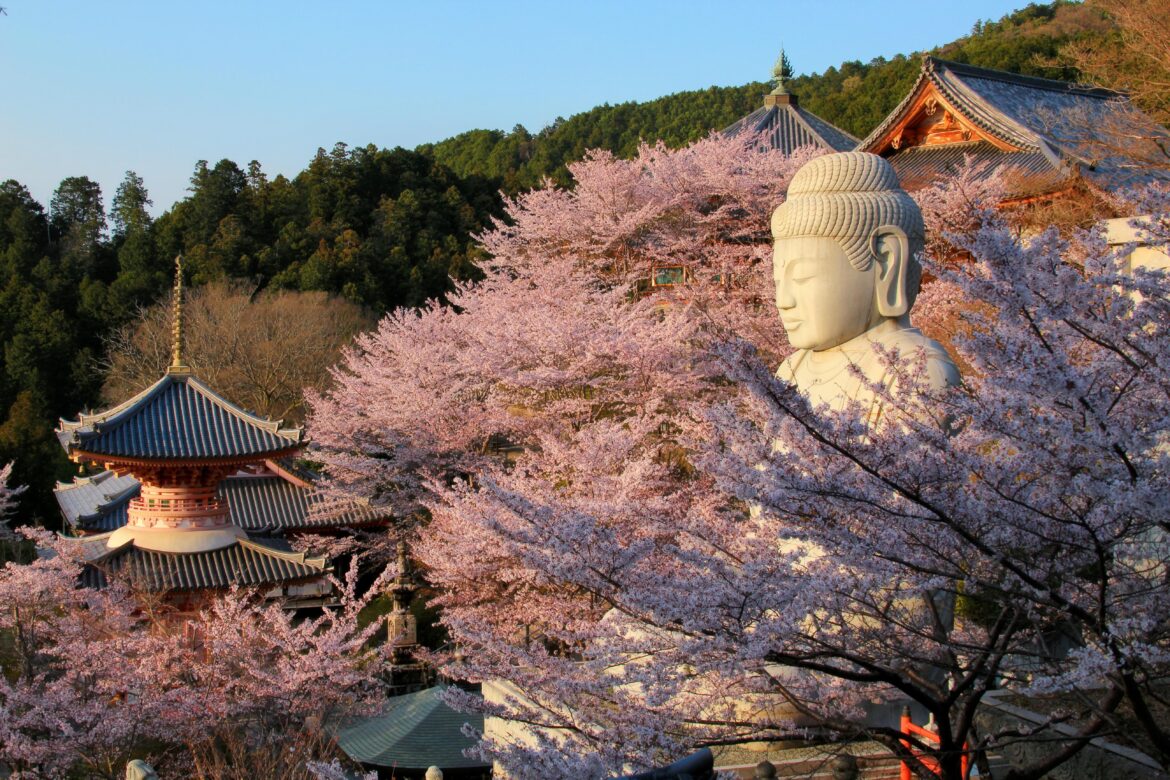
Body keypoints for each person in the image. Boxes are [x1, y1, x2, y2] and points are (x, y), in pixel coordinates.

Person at [771, 152, 959, 424]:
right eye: (778, 280)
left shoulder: (916, 373)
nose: (783, 300)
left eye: (802, 276)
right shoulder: (790, 370)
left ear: (887, 261)